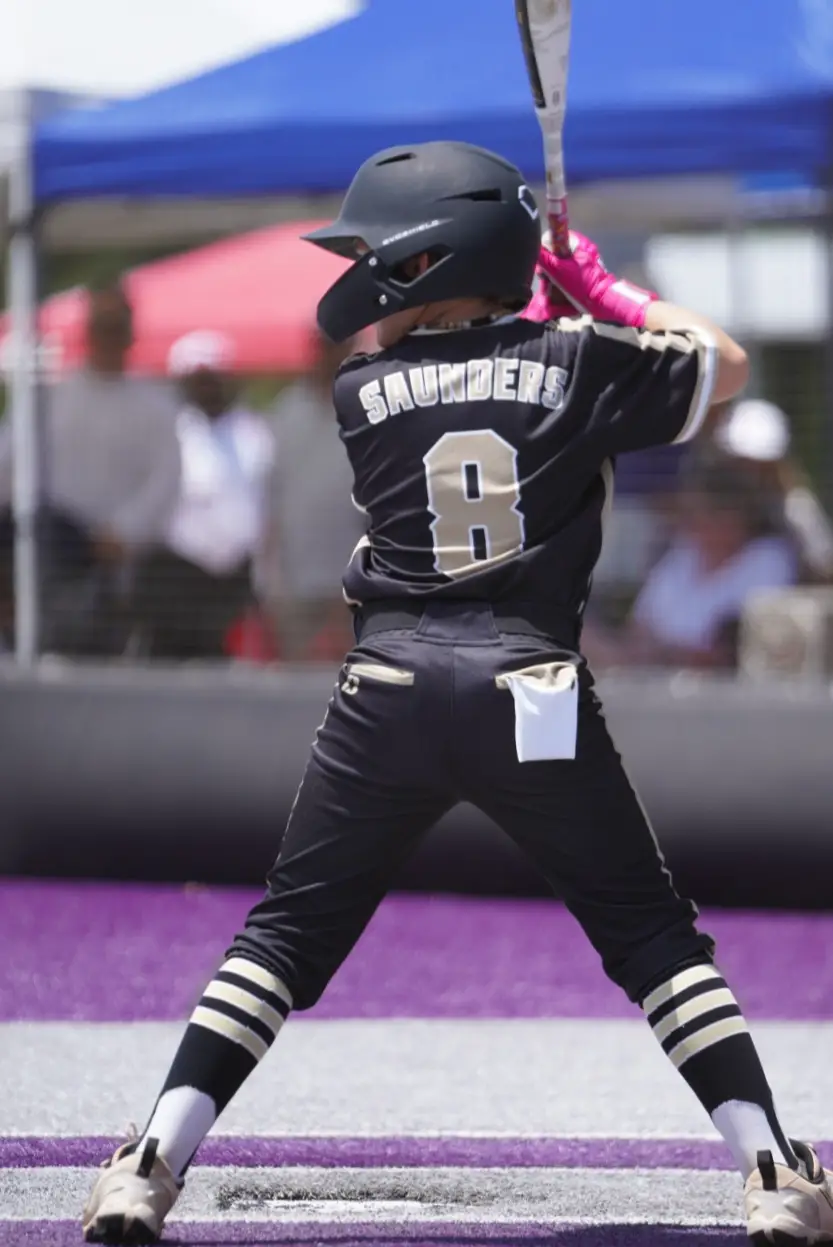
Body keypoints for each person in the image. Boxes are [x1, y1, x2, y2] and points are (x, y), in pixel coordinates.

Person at [82, 141, 833, 1245]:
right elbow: (719, 364)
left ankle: (149, 1160)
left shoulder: (358, 388)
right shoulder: (579, 358)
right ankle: (772, 1169)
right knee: (652, 937)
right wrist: (599, 288)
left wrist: (551, 307)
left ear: (431, 256)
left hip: (386, 684)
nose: (365, 273)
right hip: (530, 682)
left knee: (282, 937)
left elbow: (450, 374)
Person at [0, 281, 181, 654]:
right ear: (88, 331)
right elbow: (9, 463)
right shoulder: (50, 398)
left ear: (130, 333)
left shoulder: (156, 405)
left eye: (117, 327)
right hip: (48, 560)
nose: (109, 337)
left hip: (115, 573)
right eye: (102, 326)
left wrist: (123, 533)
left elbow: (166, 480)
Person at [130, 331, 275, 660]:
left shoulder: (254, 432)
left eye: (213, 377)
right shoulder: (168, 432)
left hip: (237, 581)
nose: (207, 386)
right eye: (198, 379)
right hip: (178, 576)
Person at [585, 452, 798, 671]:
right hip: (651, 673)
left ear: (732, 516)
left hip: (721, 685)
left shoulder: (769, 559)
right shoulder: (684, 555)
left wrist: (661, 654)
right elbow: (638, 628)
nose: (689, 523)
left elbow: (731, 652)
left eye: (699, 513)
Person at [258, 330, 365, 661]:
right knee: (297, 680)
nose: (331, 355)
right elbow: (270, 500)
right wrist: (268, 582)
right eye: (326, 346)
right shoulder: (285, 412)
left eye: (339, 345)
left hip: (353, 586)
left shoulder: (369, 410)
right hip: (295, 586)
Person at [713, 397, 833, 584]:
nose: (748, 471)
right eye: (741, 462)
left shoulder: (795, 507)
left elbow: (822, 565)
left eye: (757, 464)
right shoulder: (712, 500)